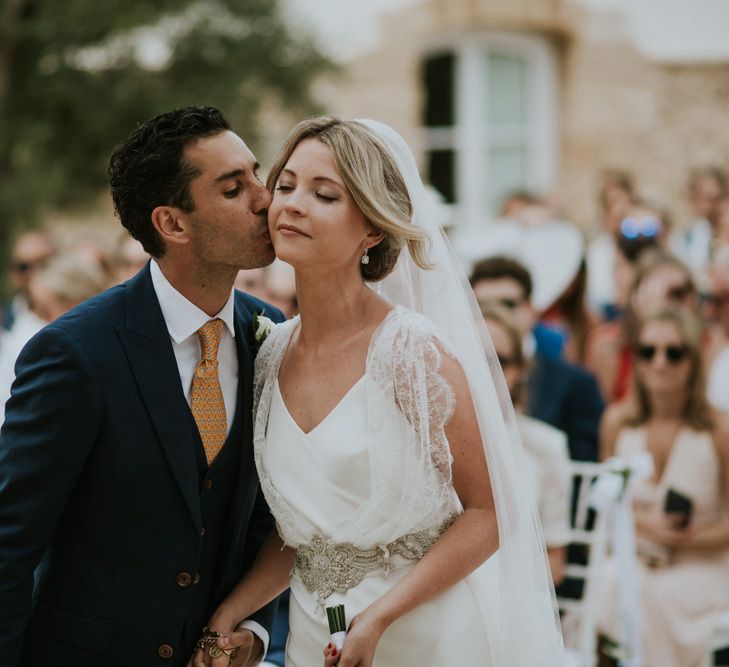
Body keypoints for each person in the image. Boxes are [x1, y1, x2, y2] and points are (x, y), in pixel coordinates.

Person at [190, 117, 563, 666]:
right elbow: (305, 533)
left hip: (424, 636)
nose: (291, 204)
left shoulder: (410, 351)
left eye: (324, 194)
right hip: (317, 639)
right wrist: (230, 614)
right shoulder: (270, 354)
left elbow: (489, 515)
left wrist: (381, 616)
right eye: (286, 184)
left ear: (373, 229)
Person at [0, 106, 284, 666]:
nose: (265, 198)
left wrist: (252, 628)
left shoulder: (271, 335)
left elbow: (269, 515)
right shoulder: (76, 353)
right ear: (172, 224)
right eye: (233, 189)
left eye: (257, 174)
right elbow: (9, 543)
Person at [598, 307, 729, 667]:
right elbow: (606, 506)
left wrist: (684, 537)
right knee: (615, 580)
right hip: (635, 559)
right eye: (647, 351)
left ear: (693, 360)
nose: (660, 362)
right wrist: (642, 528)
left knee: (640, 592)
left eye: (674, 352)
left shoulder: (719, 429)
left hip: (702, 565)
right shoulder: (617, 423)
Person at [470, 255, 604, 462]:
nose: (495, 314)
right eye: (482, 306)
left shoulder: (577, 384)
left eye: (507, 304)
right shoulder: (455, 374)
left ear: (530, 310)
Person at [483, 306, 570, 585]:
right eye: (471, 357)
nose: (484, 371)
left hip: (517, 592)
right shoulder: (424, 443)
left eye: (498, 361)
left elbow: (555, 561)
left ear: (520, 370)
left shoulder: (547, 447)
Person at [0, 253, 107, 424]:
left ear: (76, 301)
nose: (41, 319)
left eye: (47, 310)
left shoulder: (108, 343)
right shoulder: (30, 341)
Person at [0, 230, 56, 331]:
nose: (33, 272)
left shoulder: (78, 312)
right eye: (24, 267)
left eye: (44, 264)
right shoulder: (4, 322)